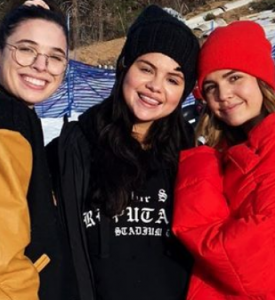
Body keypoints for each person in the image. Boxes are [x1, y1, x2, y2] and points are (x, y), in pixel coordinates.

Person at [49, 4, 199, 300]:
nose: (155, 86)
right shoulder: (73, 148)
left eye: (173, 79)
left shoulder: (192, 157)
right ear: (124, 65)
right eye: (146, 68)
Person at [172, 20, 275, 300]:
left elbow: (248, 263)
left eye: (234, 78)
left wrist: (197, 167)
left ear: (261, 78)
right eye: (210, 86)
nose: (224, 95)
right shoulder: (232, 149)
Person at [0, 1, 74, 299]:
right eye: (27, 49)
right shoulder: (9, 120)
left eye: (55, 57)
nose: (41, 66)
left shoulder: (21, 115)